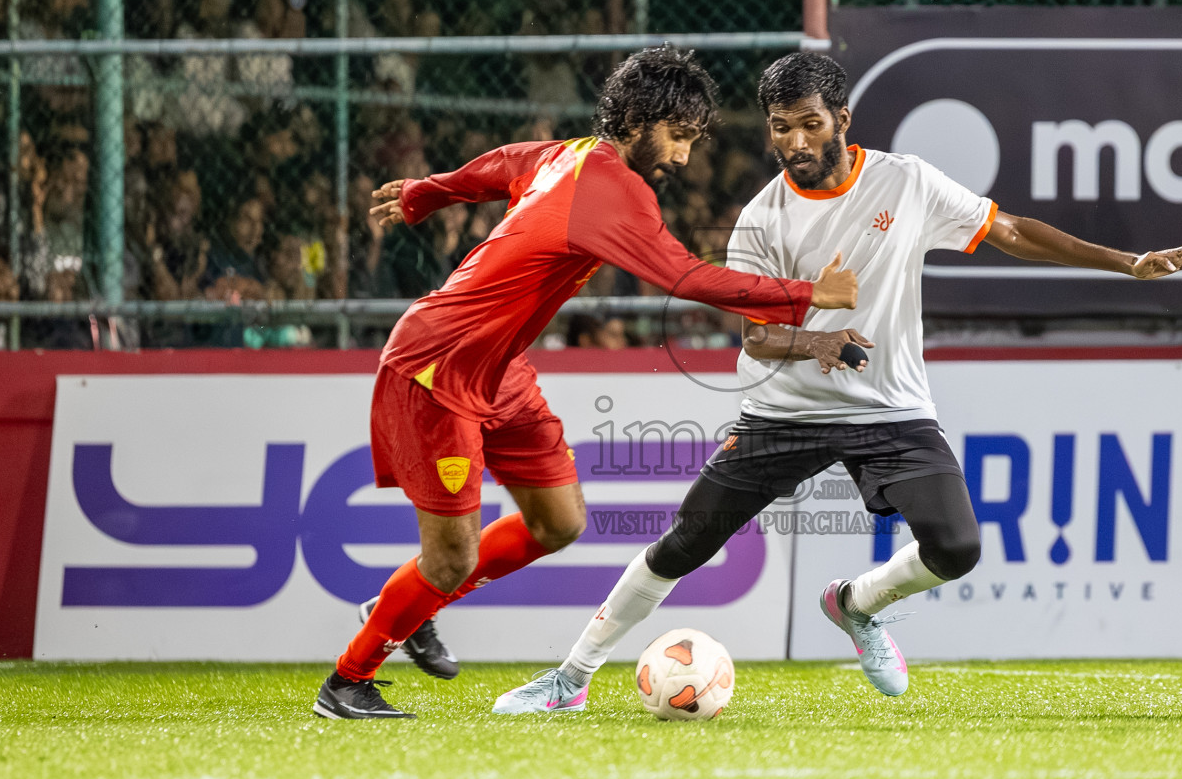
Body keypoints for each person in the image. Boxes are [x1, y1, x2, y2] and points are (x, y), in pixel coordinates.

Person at [492, 51, 1182, 714]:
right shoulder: (761, 218)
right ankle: (571, 678)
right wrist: (817, 340)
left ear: (842, 119)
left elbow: (1011, 231)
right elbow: (756, 336)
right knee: (686, 540)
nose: (797, 143)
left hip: (892, 407)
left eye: (810, 124)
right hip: (787, 412)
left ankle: (855, 604)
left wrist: (1129, 262)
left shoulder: (906, 182)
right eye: (781, 128)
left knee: (957, 547)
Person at [312, 46, 859, 720]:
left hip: (497, 370)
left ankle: (410, 598)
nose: (685, 158)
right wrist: (808, 293)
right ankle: (347, 681)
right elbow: (687, 278)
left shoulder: (571, 154)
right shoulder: (613, 190)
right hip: (437, 367)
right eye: (679, 137)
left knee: (558, 522)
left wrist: (430, 191)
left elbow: (501, 164)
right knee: (449, 559)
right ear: (637, 118)